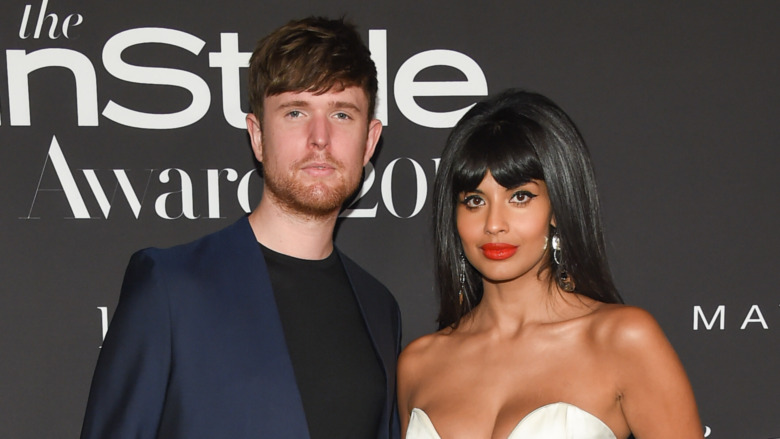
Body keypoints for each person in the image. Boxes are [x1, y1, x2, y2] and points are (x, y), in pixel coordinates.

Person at [80, 17, 401, 439]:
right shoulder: (170, 288)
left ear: (370, 141)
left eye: (342, 113)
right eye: (295, 111)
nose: (320, 137)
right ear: (257, 136)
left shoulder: (380, 309)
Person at [397, 90, 701, 438]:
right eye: (475, 200)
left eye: (520, 197)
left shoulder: (621, 340)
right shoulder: (419, 364)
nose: (494, 223)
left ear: (557, 207)